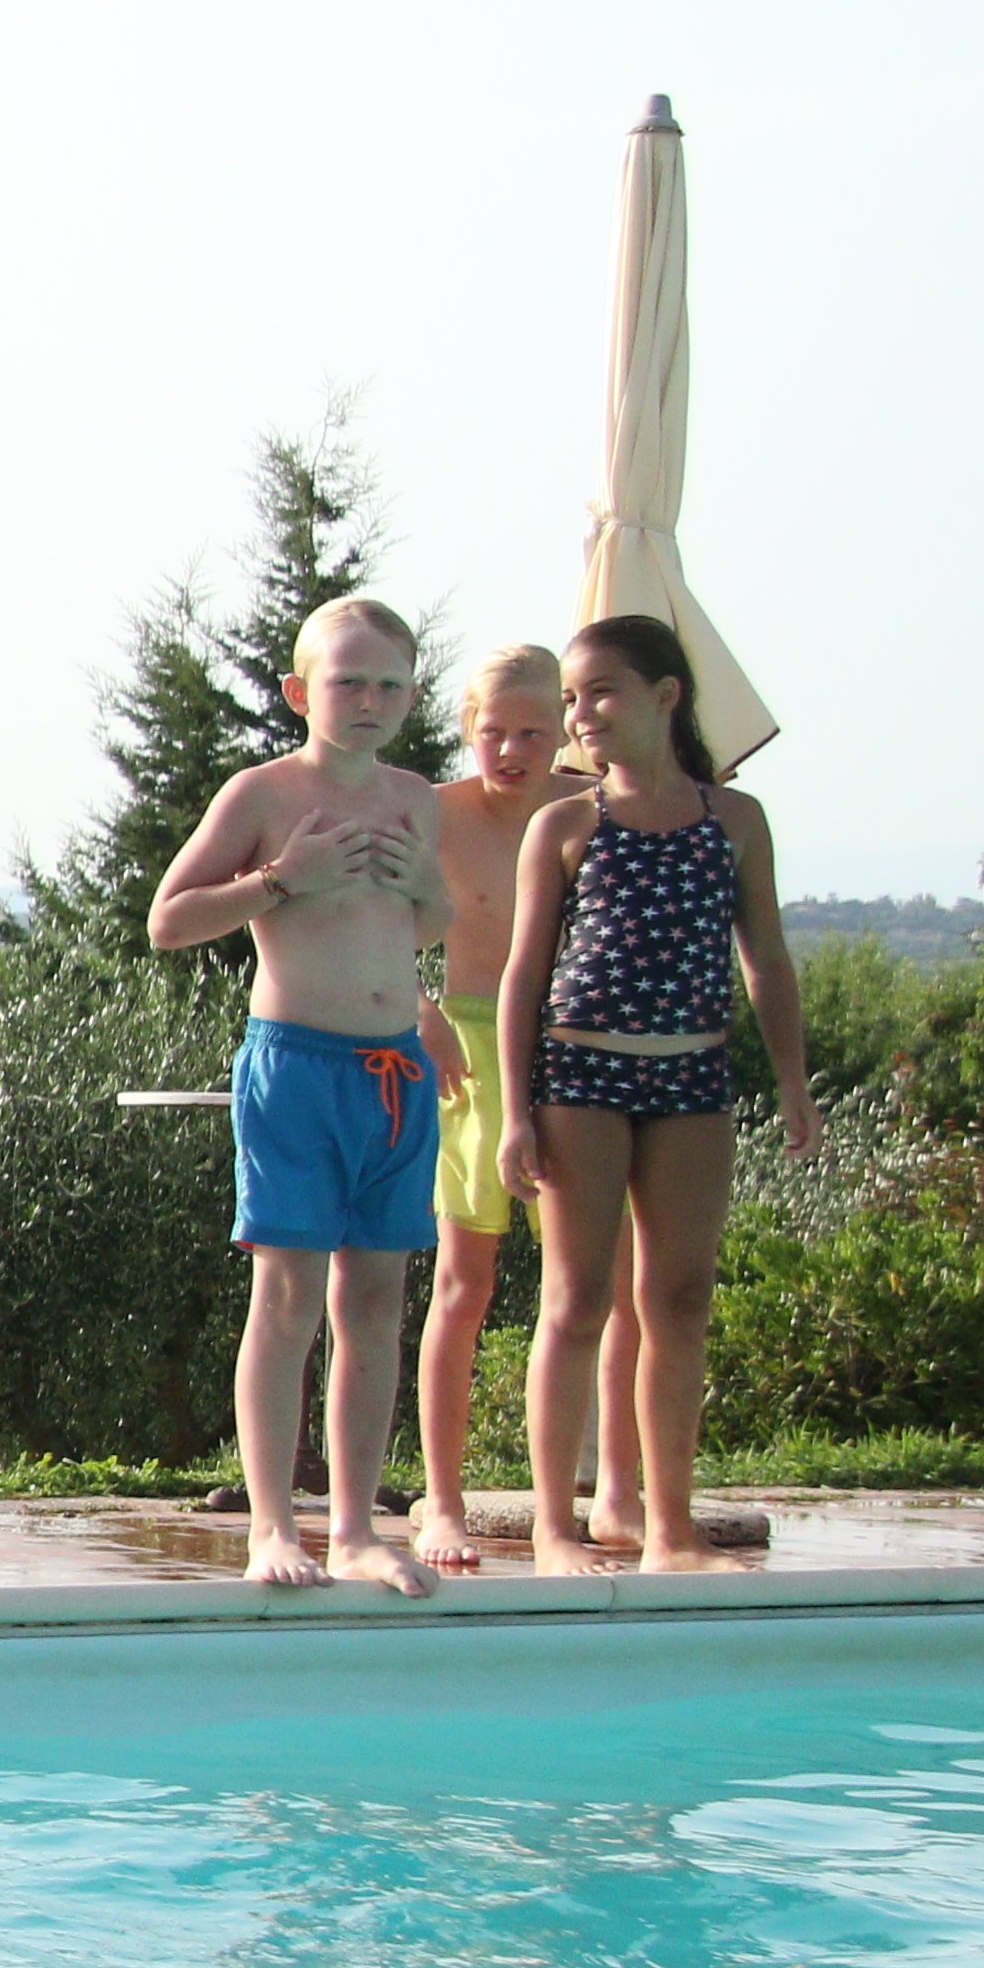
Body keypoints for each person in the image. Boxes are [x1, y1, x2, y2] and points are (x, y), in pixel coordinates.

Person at [496, 612, 817, 1577]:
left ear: (666, 695)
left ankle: (669, 1527)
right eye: (571, 700)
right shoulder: (566, 824)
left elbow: (766, 960)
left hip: (693, 1077)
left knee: (679, 1299)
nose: (581, 716)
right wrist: (514, 1112)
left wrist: (794, 1084)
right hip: (580, 1076)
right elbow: (524, 974)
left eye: (601, 693)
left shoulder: (735, 820)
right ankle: (556, 1526)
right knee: (576, 1299)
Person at [150, 598, 455, 1594]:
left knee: (375, 1301)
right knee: (286, 1299)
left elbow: (425, 927)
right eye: (347, 682)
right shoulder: (263, 794)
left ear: (411, 695)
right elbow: (169, 920)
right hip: (296, 1069)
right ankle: (272, 1525)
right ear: (299, 692)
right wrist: (284, 879)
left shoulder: (416, 799)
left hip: (395, 1073)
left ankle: (357, 1526)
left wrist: (427, 885)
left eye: (389, 685)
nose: (369, 700)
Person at [409, 643, 576, 1570]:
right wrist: (419, 1008)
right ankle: (442, 1501)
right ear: (468, 728)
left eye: (533, 733)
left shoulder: (594, 810)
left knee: (591, 1287)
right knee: (463, 1286)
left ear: (564, 731)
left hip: (578, 1049)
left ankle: (609, 1491)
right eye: (494, 731)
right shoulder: (434, 813)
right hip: (470, 1052)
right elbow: (362, 914)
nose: (511, 751)